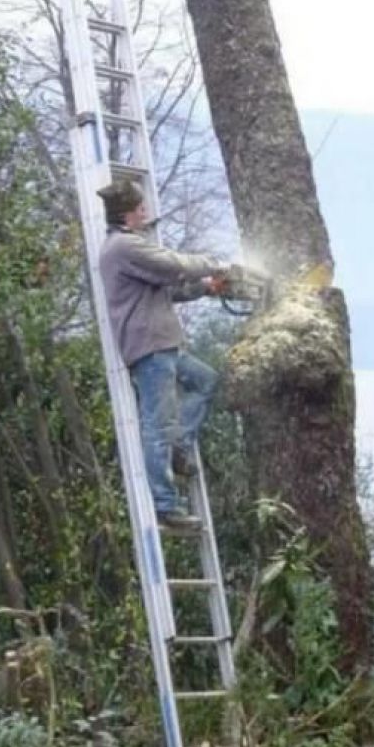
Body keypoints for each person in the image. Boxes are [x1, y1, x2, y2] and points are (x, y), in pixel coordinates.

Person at [97, 178, 226, 533]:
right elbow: (173, 266)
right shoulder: (124, 247)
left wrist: (205, 287)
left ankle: (181, 447)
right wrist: (216, 264)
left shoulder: (129, 248)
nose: (146, 212)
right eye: (141, 207)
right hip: (150, 347)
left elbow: (170, 290)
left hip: (163, 343)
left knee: (205, 380)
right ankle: (166, 506)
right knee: (158, 424)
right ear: (127, 213)